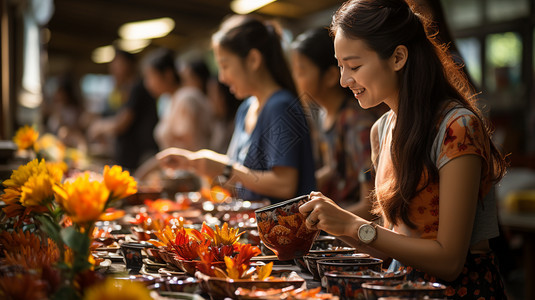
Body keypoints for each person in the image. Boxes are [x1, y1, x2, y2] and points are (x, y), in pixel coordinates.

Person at [299, 0, 508, 299]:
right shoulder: (381, 130)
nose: (345, 80)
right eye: (340, 66)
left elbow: (449, 261)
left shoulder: (457, 127)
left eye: (355, 66)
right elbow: (391, 241)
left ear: (398, 57)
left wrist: (351, 224)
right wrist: (332, 224)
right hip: (399, 287)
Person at [157, 15, 316, 204]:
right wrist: (194, 163)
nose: (222, 78)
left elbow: (284, 185)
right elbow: (241, 176)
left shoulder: (280, 105)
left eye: (225, 66)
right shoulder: (246, 108)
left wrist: (224, 169)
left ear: (253, 60)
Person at [291, 27, 381, 219]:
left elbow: (371, 206)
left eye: (301, 71)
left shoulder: (357, 122)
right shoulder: (322, 116)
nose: (295, 80)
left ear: (331, 76)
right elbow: (333, 169)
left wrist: (323, 224)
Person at [88, 49, 159, 171]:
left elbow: (122, 123)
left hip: (142, 158)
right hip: (130, 158)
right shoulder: (123, 90)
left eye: (118, 64)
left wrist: (100, 127)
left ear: (130, 64)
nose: (113, 69)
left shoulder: (138, 87)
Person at [143, 48, 213, 151]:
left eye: (151, 77)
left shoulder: (186, 98)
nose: (148, 84)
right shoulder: (170, 101)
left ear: (168, 74)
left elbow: (190, 148)